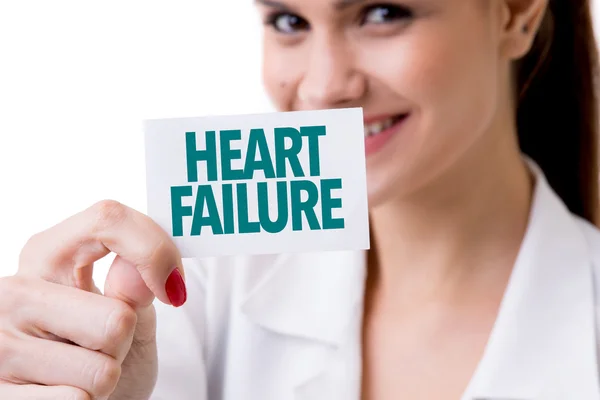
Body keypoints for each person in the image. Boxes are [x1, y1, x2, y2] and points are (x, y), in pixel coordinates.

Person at [0, 0, 598, 398]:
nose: (323, 85)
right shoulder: (194, 292)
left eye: (382, 12)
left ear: (516, 14)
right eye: (289, 21)